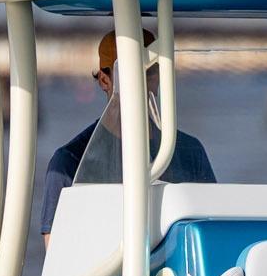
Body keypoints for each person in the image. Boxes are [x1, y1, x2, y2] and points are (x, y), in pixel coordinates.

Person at [39, 28, 215, 237]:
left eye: (149, 72)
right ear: (105, 81)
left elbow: (212, 230)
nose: (139, 83)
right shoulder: (69, 162)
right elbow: (58, 258)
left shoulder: (190, 152)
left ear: (159, 77)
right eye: (129, 73)